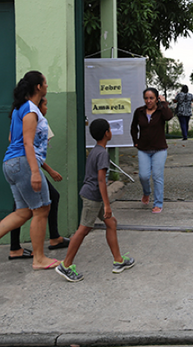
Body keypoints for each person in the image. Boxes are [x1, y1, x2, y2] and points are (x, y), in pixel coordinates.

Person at [0, 71, 59, 271]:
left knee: (23, 212)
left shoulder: (19, 109)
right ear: (38, 87)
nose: (47, 85)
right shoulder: (30, 109)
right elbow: (28, 143)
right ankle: (39, 259)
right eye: (45, 82)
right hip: (23, 163)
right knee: (41, 210)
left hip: (11, 163)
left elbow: (12, 139)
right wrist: (35, 172)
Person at [55, 119, 136, 282]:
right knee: (83, 230)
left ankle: (118, 261)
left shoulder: (95, 150)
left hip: (94, 195)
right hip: (93, 197)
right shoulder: (102, 154)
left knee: (111, 223)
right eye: (110, 129)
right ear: (107, 133)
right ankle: (65, 265)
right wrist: (107, 205)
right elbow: (100, 180)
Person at [9, 97, 70, 260]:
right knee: (26, 209)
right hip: (24, 166)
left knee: (25, 206)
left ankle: (52, 238)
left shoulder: (28, 117)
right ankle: (19, 249)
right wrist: (45, 171)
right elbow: (29, 150)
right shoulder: (31, 119)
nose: (47, 108)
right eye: (45, 104)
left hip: (22, 165)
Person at [131, 87, 173, 213]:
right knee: (143, 176)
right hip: (144, 149)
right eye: (146, 98)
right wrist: (136, 141)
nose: (148, 101)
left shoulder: (161, 111)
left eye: (151, 98)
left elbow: (169, 116)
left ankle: (158, 203)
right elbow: (133, 128)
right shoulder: (139, 111)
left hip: (159, 149)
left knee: (157, 176)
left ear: (156, 99)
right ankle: (146, 192)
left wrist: (164, 102)